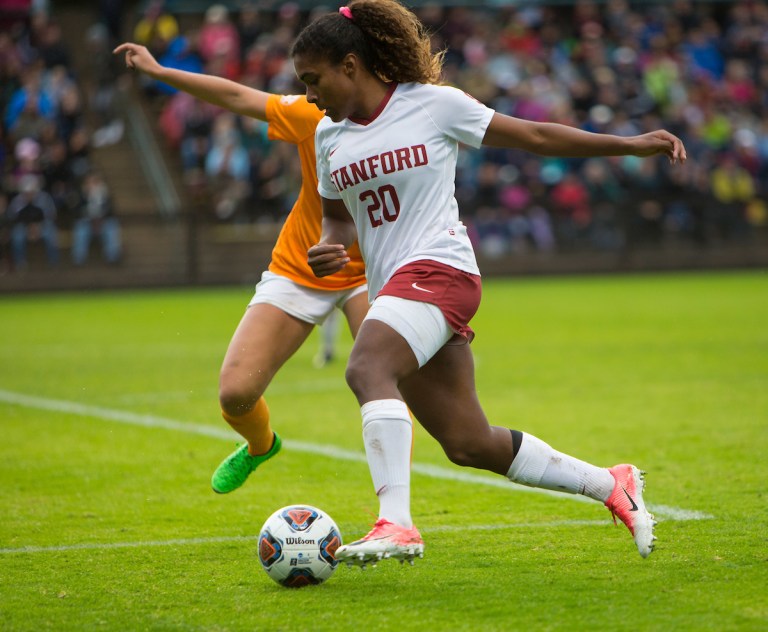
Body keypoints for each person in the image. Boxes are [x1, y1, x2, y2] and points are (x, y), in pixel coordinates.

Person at [291, 0, 687, 566]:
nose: (309, 94)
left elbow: (535, 137)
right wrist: (333, 248)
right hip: (398, 291)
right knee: (468, 443)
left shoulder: (432, 106)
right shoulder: (328, 139)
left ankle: (395, 524)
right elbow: (337, 219)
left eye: (314, 79)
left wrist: (626, 144)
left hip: (442, 269)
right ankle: (611, 483)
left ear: (350, 64)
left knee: (365, 367)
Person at [113, 40, 369, 494]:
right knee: (234, 394)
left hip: (373, 270)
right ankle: (260, 446)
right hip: (300, 266)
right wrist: (160, 71)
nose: (308, 94)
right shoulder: (315, 116)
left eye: (312, 81)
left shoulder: (412, 120)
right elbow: (236, 96)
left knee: (381, 380)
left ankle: (392, 511)